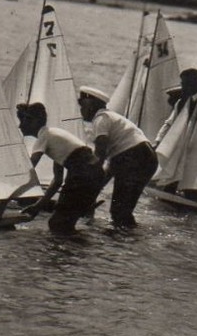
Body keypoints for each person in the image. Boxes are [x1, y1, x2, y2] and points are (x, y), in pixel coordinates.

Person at [13, 102, 102, 234]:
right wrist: (38, 206)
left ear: (34, 121)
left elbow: (29, 173)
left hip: (82, 175)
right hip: (95, 174)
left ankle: (73, 252)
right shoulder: (54, 135)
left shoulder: (44, 136)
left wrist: (2, 205)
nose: (20, 126)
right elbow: (58, 181)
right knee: (63, 223)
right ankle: (77, 249)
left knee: (57, 224)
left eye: (23, 120)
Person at [78, 87, 157, 229]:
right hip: (147, 158)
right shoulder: (112, 118)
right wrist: (95, 190)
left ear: (91, 104)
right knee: (122, 211)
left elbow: (100, 154)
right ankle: (129, 238)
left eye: (82, 105)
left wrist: (88, 187)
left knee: (119, 211)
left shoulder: (100, 119)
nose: (81, 110)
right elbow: (112, 165)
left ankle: (125, 241)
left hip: (133, 158)